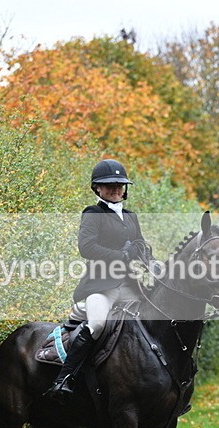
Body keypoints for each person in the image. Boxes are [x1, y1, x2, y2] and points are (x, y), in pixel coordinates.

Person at [47, 159, 148, 402]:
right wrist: (121, 255)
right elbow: (87, 247)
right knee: (98, 324)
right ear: (98, 189)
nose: (115, 189)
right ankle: (65, 379)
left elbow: (142, 244)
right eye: (109, 185)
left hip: (130, 286)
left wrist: (148, 259)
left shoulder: (131, 216)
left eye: (120, 185)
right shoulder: (92, 214)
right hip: (101, 286)